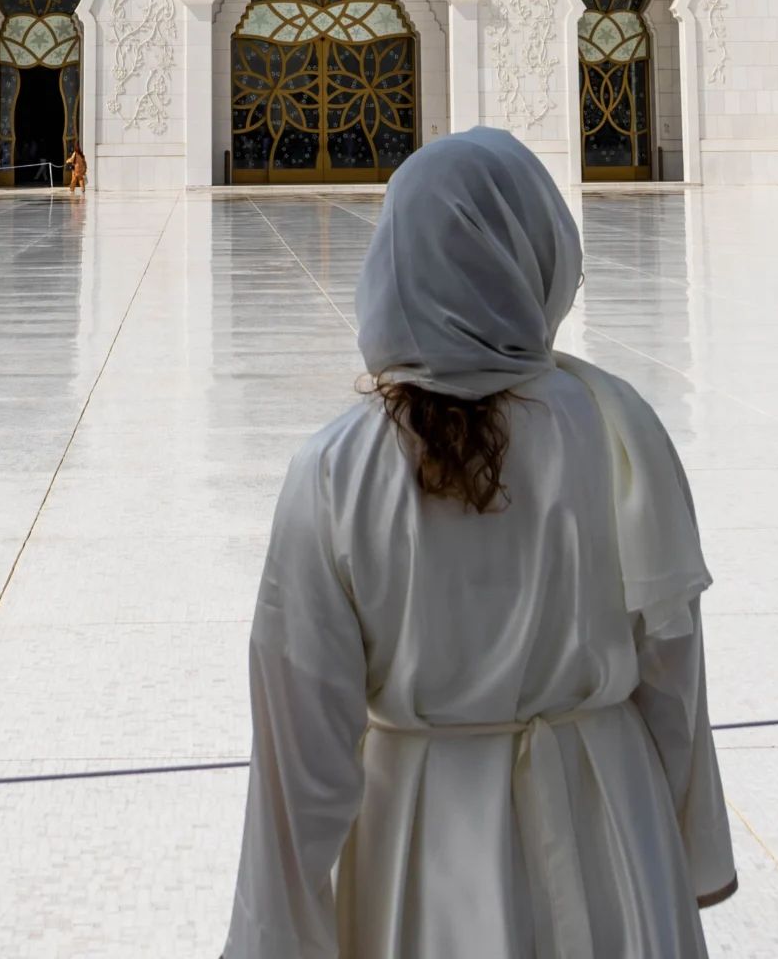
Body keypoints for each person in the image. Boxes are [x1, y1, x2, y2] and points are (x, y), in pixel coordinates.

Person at [224, 128, 735, 958]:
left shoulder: (334, 470)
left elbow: (299, 760)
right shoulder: (620, 432)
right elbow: (672, 682)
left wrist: (270, 940)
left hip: (424, 850)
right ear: (535, 256)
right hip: (615, 832)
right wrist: (680, 853)